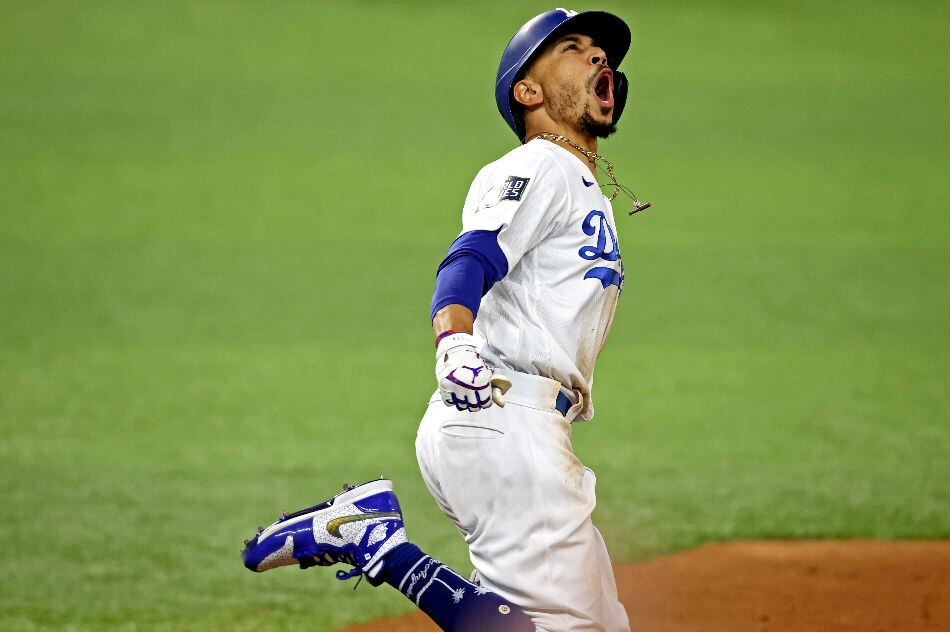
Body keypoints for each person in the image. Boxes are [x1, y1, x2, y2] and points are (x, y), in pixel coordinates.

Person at [242, 8, 647, 632]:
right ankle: (376, 542)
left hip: (519, 429)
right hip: (503, 419)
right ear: (528, 91)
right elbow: (471, 257)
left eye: (602, 51)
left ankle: (374, 536)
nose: (599, 58)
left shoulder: (578, 179)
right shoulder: (540, 164)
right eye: (573, 47)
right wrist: (454, 342)